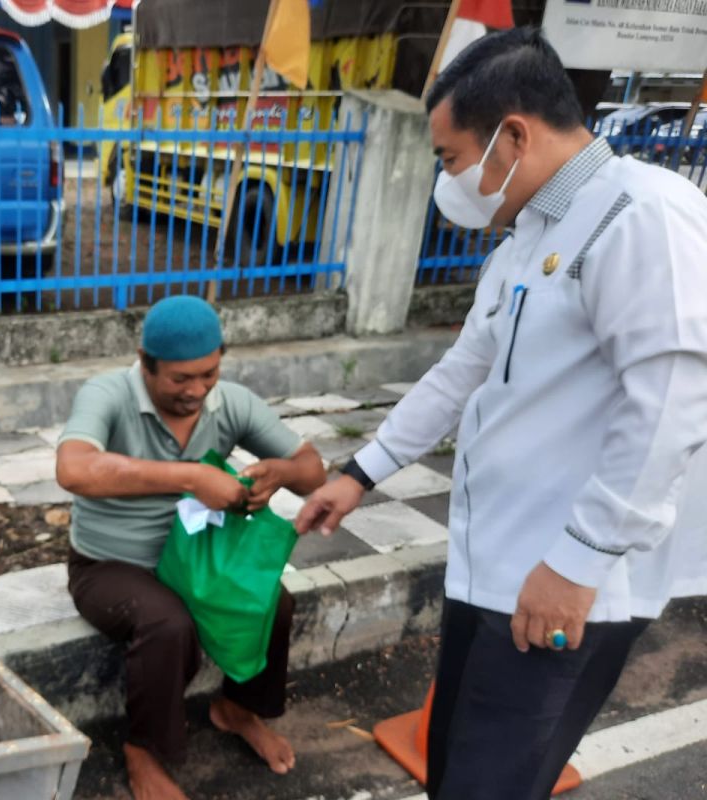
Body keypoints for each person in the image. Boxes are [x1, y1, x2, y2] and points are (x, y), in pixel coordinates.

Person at [295, 27, 707, 800]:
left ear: (513, 135)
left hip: (567, 587)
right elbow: (461, 374)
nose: (447, 178)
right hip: (499, 569)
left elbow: (675, 401)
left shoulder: (643, 216)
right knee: (454, 765)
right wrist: (359, 474)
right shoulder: (529, 237)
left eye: (450, 157)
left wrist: (578, 563)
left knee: (493, 783)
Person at [55, 295, 326, 800]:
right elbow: (73, 469)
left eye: (209, 373)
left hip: (195, 558)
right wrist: (191, 477)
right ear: (145, 363)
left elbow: (312, 470)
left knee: (273, 599)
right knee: (167, 623)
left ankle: (237, 710)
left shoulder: (232, 402)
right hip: (109, 565)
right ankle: (144, 752)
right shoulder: (107, 394)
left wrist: (279, 474)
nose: (196, 390)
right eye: (180, 379)